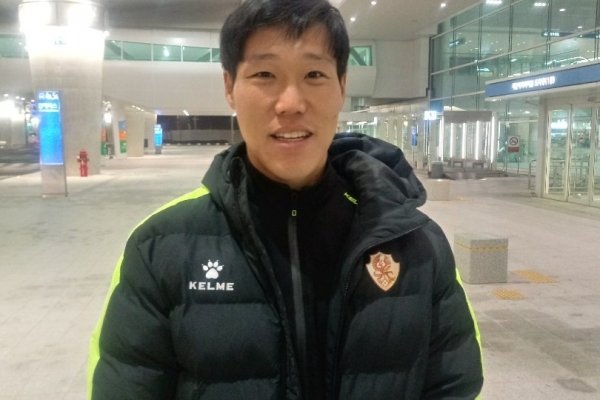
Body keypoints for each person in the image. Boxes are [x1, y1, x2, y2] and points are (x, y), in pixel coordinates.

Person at [87, 0, 484, 399]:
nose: (291, 103)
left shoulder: (415, 244)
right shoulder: (161, 247)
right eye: (265, 74)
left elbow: (455, 385)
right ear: (229, 87)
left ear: (342, 86)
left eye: (314, 74)